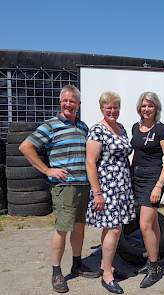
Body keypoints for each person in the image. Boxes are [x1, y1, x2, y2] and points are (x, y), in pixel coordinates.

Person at [19, 85, 100, 293]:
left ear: (79, 105)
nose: (68, 104)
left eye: (72, 101)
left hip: (83, 185)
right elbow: (25, 147)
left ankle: (77, 263)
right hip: (64, 186)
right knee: (62, 228)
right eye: (65, 100)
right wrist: (47, 170)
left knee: (80, 226)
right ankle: (56, 272)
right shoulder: (50, 125)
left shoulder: (83, 127)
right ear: (60, 102)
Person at [86, 91, 136, 294]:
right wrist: (97, 192)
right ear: (102, 109)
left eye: (115, 107)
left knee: (112, 229)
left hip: (122, 185)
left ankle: (107, 266)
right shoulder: (97, 130)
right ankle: (107, 275)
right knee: (114, 230)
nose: (112, 111)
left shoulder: (121, 128)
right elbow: (90, 162)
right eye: (108, 108)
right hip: (106, 187)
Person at [131, 91, 164, 288]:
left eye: (150, 106)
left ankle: (154, 267)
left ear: (157, 108)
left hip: (152, 180)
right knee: (153, 223)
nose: (146, 109)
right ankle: (153, 262)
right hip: (136, 178)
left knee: (145, 225)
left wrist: (159, 184)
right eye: (143, 106)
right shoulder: (135, 128)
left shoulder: (162, 130)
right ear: (139, 108)